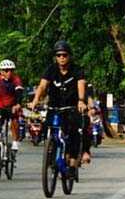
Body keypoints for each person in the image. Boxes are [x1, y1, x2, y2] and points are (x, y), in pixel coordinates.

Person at [28, 40, 86, 168]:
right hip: (54, 106)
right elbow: (43, 85)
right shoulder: (51, 70)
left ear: (69, 56)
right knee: (47, 127)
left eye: (64, 55)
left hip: (71, 107)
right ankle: (50, 150)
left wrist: (81, 101)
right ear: (55, 57)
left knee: (73, 132)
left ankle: (72, 159)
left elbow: (81, 84)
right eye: (59, 55)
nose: (62, 58)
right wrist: (36, 99)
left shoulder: (77, 70)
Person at [0, 59, 24, 154]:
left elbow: (19, 92)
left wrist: (18, 104)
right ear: (1, 71)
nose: (10, 72)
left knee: (15, 118)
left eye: (11, 70)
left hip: (12, 105)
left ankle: (15, 141)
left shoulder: (16, 79)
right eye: (7, 70)